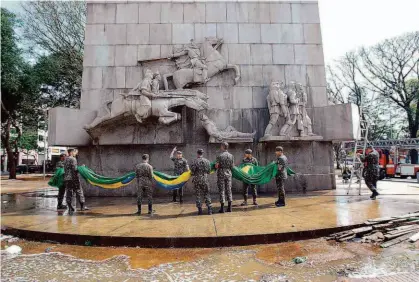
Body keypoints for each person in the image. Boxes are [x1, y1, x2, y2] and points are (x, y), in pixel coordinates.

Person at [63, 149, 88, 215]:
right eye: (75, 152)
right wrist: (82, 167)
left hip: (67, 179)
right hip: (74, 179)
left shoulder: (65, 159)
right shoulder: (73, 159)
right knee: (79, 191)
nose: (76, 154)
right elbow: (75, 169)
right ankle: (82, 207)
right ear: (71, 152)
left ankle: (70, 207)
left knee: (69, 192)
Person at [190, 149, 212, 215]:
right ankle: (209, 210)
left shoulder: (194, 161)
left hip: (197, 180)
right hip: (205, 179)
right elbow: (209, 171)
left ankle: (200, 210)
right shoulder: (207, 161)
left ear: (197, 154)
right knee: (207, 194)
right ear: (202, 153)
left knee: (198, 195)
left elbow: (192, 172)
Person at [215, 142, 234, 213]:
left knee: (222, 190)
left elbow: (216, 166)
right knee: (229, 189)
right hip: (229, 173)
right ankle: (230, 207)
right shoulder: (231, 156)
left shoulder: (219, 156)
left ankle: (222, 208)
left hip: (221, 174)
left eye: (221, 146)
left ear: (223, 147)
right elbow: (232, 166)